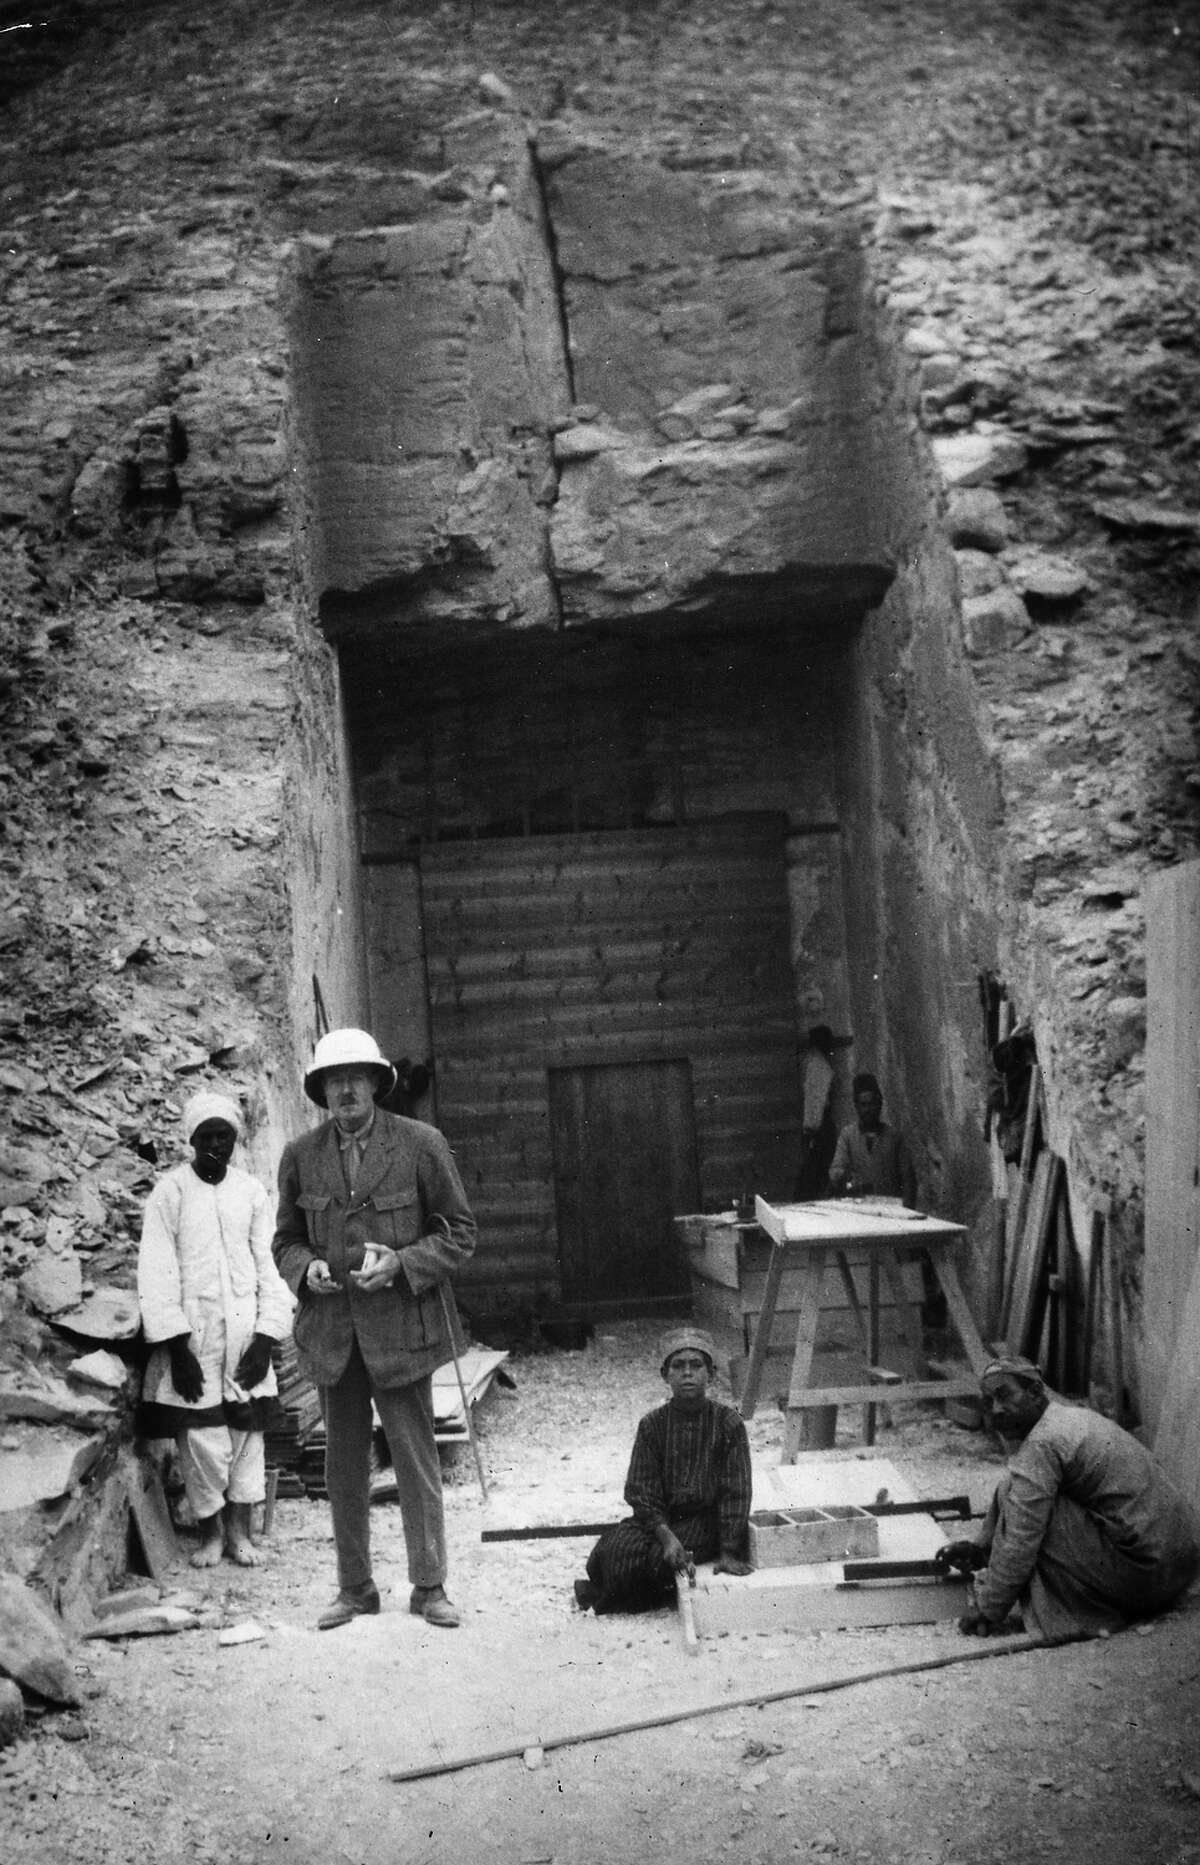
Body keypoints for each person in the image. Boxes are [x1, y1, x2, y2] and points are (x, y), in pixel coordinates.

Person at [272, 1027, 477, 1631]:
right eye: (333, 1082)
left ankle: (430, 1586)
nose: (345, 1090)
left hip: (402, 1334)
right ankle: (355, 1587)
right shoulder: (300, 1155)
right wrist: (305, 1269)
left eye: (355, 1078)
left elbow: (459, 1233)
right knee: (343, 1468)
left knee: (415, 1461)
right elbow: (286, 1240)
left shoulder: (421, 1145)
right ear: (321, 1091)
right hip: (333, 1335)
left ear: (377, 1083)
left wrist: (403, 1263)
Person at [935, 1356, 1200, 1642]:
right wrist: (982, 1546)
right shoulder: (1067, 1417)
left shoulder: (1043, 1443)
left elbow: (1021, 1540)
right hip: (1179, 1567)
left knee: (1027, 1509)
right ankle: (985, 1552)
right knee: (1018, 1486)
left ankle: (1087, 1613)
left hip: (1148, 1578)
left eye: (1004, 1395)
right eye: (989, 1402)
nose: (996, 1410)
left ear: (1036, 1393)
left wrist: (989, 1608)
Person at [138, 1091, 293, 1569]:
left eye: (223, 1135)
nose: (215, 1145)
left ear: (234, 1139)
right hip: (196, 1340)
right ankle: (210, 1534)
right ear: (192, 1140)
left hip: (245, 1335)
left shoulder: (249, 1192)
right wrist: (177, 1349)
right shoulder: (171, 1193)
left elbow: (270, 1266)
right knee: (202, 1442)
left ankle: (240, 1534)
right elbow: (157, 1270)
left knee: (247, 1437)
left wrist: (267, 1338)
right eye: (205, 1136)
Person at [574, 1327, 753, 1614]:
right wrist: (664, 1533)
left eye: (696, 1365)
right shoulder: (652, 1425)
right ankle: (619, 1588)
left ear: (711, 1372)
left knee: (656, 1561)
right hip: (660, 1521)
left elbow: (737, 1492)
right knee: (612, 1550)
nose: (687, 1373)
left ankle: (633, 1594)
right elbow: (640, 1488)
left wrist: (729, 1551)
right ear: (665, 1375)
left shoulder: (728, 1423)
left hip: (703, 1522)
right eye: (678, 1366)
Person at [827, 1071, 917, 1204]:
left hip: (890, 1209)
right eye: (863, 1105)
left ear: (880, 1104)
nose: (868, 1109)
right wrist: (847, 1177)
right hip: (859, 1209)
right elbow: (836, 1170)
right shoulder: (848, 1136)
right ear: (856, 1107)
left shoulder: (895, 1137)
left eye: (872, 1104)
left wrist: (907, 1210)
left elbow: (908, 1180)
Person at [794, 1024, 851, 1201]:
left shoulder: (814, 1062)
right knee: (819, 1165)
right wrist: (812, 1128)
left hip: (817, 1123)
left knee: (818, 1166)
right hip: (819, 1124)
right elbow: (815, 1100)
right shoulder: (818, 1065)